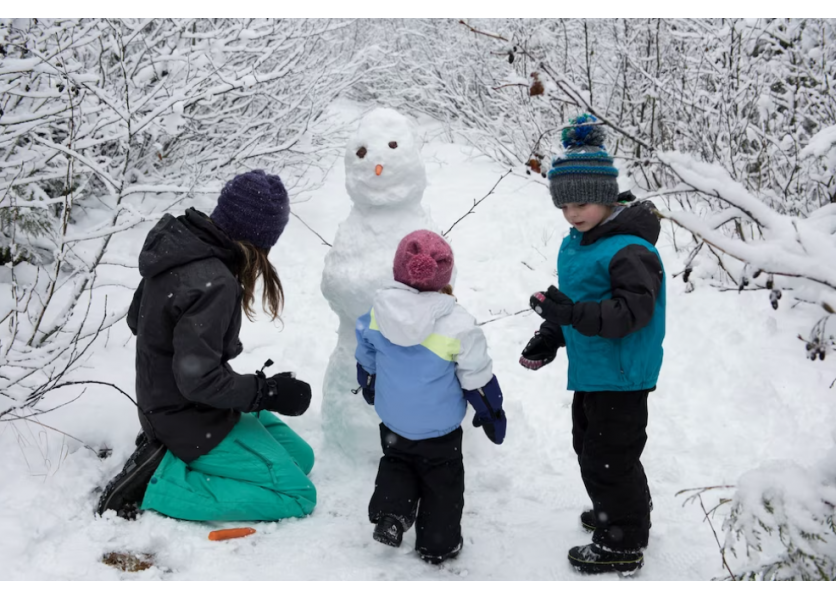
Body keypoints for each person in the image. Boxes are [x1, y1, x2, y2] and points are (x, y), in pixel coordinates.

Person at [95, 170, 316, 522]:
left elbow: (138, 320)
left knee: (302, 460)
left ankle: (170, 454)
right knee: (298, 494)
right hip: (187, 418)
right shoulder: (213, 282)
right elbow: (198, 381)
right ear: (261, 239)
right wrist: (266, 392)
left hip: (178, 406)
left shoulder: (181, 247)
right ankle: (157, 482)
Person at [520, 115, 665, 575]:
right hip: (594, 368)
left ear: (605, 197)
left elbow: (630, 313)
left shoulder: (628, 249)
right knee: (594, 447)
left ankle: (622, 538)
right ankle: (623, 509)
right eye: (564, 207)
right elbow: (581, 304)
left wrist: (570, 315)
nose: (573, 214)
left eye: (582, 203)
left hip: (620, 372)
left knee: (608, 456)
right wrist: (551, 334)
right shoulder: (583, 242)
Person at [354, 230, 506, 565]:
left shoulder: (378, 311)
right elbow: (477, 375)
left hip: (394, 418)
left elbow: (365, 350)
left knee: (397, 463)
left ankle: (392, 514)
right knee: (442, 480)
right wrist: (491, 410)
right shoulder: (457, 324)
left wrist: (367, 379)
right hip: (440, 428)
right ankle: (439, 543)